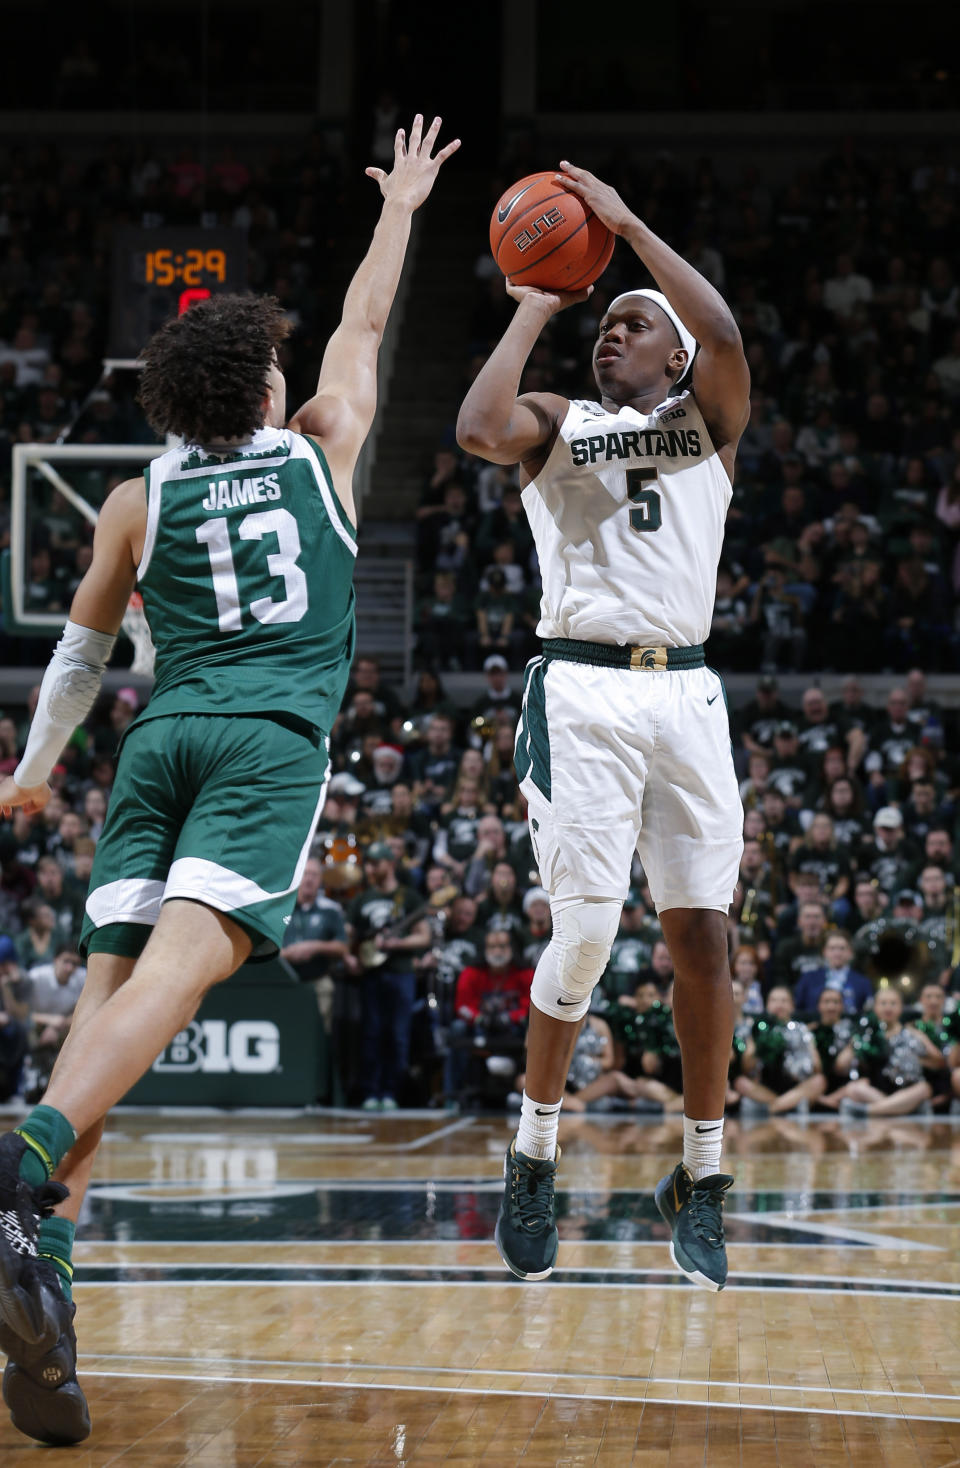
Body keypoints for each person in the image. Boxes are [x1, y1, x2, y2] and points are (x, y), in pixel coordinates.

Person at [0, 114, 459, 1447]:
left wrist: (32, 775)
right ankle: (18, 1169)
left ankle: (45, 1294)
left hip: (159, 742)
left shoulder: (138, 498)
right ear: (265, 388)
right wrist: (402, 209)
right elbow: (366, 326)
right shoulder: (320, 444)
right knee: (174, 986)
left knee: (100, 1019)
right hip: (265, 739)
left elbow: (84, 647)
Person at [457, 159, 750, 1291]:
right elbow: (481, 423)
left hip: (686, 691)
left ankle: (706, 1175)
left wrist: (625, 227)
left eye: (633, 325)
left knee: (703, 941)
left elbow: (720, 331)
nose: (611, 336)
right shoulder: (557, 422)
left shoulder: (706, 424)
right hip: (581, 686)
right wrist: (538, 297)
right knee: (582, 936)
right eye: (606, 326)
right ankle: (535, 1149)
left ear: (673, 357)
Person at [346, 841, 432, 1110]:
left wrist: (396, 944)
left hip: (401, 973)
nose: (371, 868)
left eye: (376, 863)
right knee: (371, 1033)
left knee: (398, 1034)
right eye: (369, 864)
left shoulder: (408, 897)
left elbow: (424, 936)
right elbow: (348, 937)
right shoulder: (362, 899)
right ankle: (371, 1091)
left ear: (390, 864)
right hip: (371, 974)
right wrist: (350, 957)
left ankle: (392, 1092)